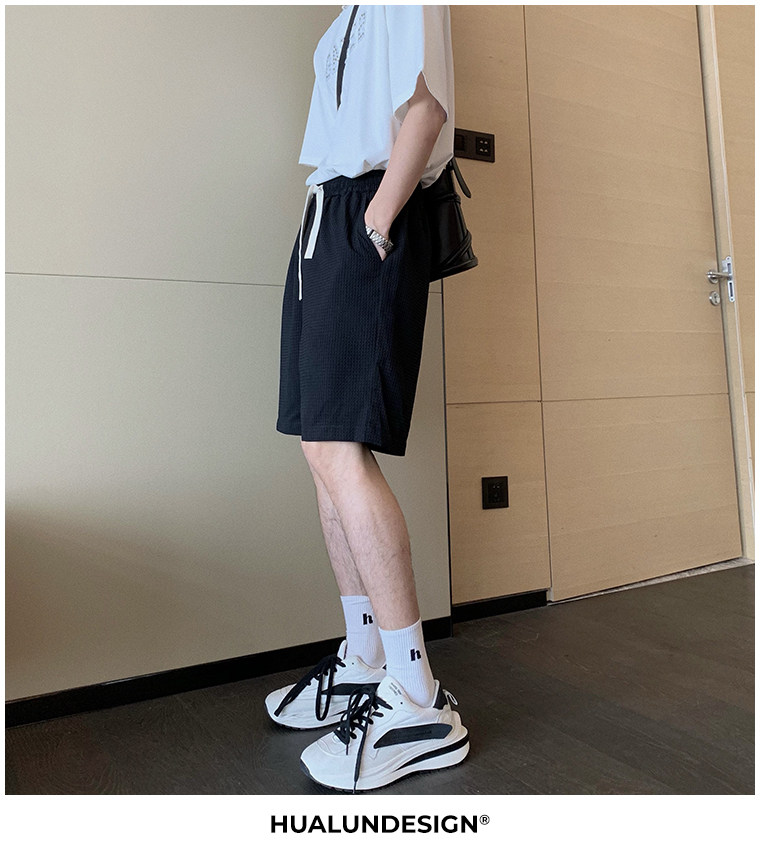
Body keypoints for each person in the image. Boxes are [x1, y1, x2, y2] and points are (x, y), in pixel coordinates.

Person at [268, 4, 469, 793]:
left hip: (365, 210)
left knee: (340, 448)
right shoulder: (342, 17)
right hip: (326, 216)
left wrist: (378, 220)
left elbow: (427, 106)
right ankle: (366, 658)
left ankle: (416, 696)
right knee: (320, 448)